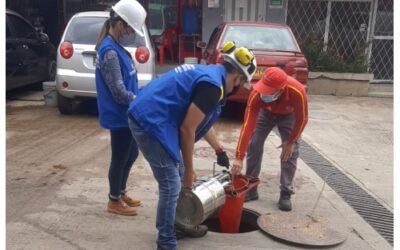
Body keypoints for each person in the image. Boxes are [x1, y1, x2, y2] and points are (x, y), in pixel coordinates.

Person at [127, 41, 256, 250]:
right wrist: (189, 169)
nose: (237, 88)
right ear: (238, 78)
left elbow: (200, 123)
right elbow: (188, 129)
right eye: (240, 84)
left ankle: (180, 223)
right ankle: (166, 240)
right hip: (149, 121)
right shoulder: (213, 87)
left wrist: (219, 149)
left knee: (176, 180)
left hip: (155, 117)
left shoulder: (212, 75)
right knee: (171, 184)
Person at [94, 0, 147, 216]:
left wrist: (142, 93)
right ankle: (113, 200)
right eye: (129, 28)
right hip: (119, 115)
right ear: (119, 24)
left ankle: (121, 191)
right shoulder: (110, 53)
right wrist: (140, 99)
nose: (130, 33)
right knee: (119, 157)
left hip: (128, 113)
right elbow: (118, 91)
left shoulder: (117, 48)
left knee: (131, 153)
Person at [231, 67, 308, 211]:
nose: (264, 93)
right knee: (254, 144)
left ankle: (285, 193)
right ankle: (251, 187)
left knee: (289, 153)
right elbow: (248, 125)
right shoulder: (256, 94)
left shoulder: (297, 91)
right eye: (264, 89)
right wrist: (239, 157)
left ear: (281, 89)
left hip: (289, 116)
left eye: (269, 91)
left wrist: (291, 141)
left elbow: (302, 119)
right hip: (265, 113)